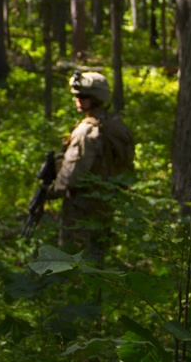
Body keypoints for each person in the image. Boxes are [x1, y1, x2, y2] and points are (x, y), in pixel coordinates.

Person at [49, 70, 135, 264]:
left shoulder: (86, 131)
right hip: (105, 201)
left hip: (82, 205)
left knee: (72, 255)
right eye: (76, 96)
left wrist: (51, 190)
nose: (78, 100)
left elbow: (71, 174)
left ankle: (77, 289)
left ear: (96, 98)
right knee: (98, 254)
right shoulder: (116, 125)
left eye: (83, 96)